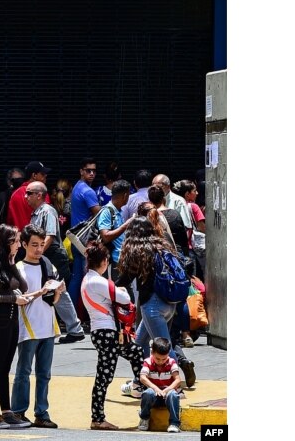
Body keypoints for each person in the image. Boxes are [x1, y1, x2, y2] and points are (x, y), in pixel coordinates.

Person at [116, 220, 191, 382]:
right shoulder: (161, 247)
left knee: (165, 348)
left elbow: (125, 279)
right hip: (169, 303)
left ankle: (175, 385)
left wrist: (110, 288)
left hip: (152, 306)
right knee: (139, 342)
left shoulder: (138, 251)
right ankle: (141, 380)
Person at [81, 241, 144, 430]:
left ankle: (138, 387)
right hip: (106, 333)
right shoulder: (97, 281)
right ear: (104, 261)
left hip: (102, 332)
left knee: (134, 354)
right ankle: (98, 418)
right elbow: (124, 298)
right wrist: (122, 291)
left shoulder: (89, 279)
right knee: (104, 375)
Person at [10, 224, 64, 429]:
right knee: (23, 371)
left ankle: (42, 412)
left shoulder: (48, 265)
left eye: (42, 244)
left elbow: (54, 300)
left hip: (48, 327)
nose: (39, 249)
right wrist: (42, 291)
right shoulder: (19, 269)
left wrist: (58, 291)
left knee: (44, 373)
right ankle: (18, 411)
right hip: (28, 327)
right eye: (34, 245)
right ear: (23, 244)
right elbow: (18, 299)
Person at [0, 225, 32, 429]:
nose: (19, 244)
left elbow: (25, 287)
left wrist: (12, 264)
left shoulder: (8, 263)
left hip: (12, 320)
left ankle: (7, 411)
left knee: (5, 366)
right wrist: (11, 298)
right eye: (16, 241)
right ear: (6, 243)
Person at [24, 182, 85, 344]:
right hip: (44, 255)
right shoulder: (36, 213)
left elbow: (50, 236)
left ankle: (75, 329)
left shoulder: (47, 211)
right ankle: (72, 328)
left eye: (29, 193)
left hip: (53, 256)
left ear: (39, 195)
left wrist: (38, 253)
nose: (26, 196)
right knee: (50, 291)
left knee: (59, 291)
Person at [68, 158, 101, 319]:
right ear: (81, 171)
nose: (92, 174)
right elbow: (99, 213)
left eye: (94, 171)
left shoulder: (77, 187)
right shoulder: (88, 191)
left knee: (77, 277)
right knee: (86, 277)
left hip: (77, 239)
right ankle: (80, 316)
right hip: (85, 240)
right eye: (88, 170)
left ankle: (72, 315)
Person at [137, 337, 184, 433]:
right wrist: (155, 388)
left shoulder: (171, 362)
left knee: (173, 394)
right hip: (154, 395)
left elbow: (178, 380)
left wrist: (167, 390)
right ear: (152, 352)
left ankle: (174, 423)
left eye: (164, 359)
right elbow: (142, 377)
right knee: (148, 393)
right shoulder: (148, 362)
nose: (161, 361)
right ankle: (144, 418)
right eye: (158, 358)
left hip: (167, 395)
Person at [96, 180, 134, 274]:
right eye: (128, 195)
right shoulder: (107, 211)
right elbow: (105, 236)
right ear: (125, 196)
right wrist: (126, 224)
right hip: (112, 262)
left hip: (121, 260)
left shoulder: (118, 211)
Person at [6, 162, 51, 230]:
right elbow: (47, 221)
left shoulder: (14, 194)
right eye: (42, 174)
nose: (45, 176)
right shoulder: (41, 194)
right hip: (38, 238)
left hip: (19, 238)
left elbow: (10, 221)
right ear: (34, 175)